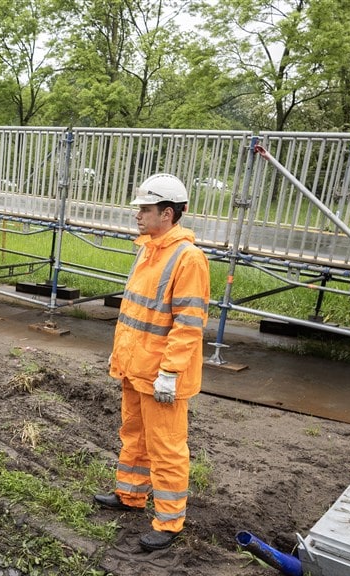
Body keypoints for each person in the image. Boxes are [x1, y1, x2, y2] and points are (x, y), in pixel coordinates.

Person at [97, 173, 210, 552]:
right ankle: (130, 495)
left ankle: (169, 520)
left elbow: (188, 324)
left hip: (162, 375)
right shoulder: (148, 249)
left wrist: (170, 373)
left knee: (167, 448)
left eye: (144, 209)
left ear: (167, 213)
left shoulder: (188, 258)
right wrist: (121, 357)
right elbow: (135, 314)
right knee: (134, 436)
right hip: (135, 368)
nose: (138, 216)